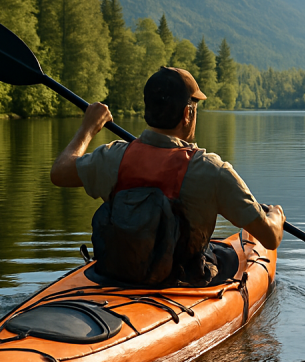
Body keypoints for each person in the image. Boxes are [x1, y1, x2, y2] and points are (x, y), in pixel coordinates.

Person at [50, 66, 285, 285]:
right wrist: (276, 217)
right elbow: (270, 239)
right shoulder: (211, 170)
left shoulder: (113, 157)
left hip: (117, 274)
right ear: (187, 114)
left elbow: (60, 172)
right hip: (183, 281)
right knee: (226, 257)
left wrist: (88, 127)